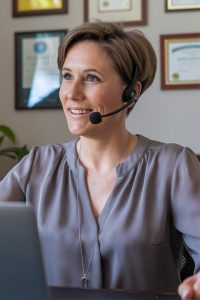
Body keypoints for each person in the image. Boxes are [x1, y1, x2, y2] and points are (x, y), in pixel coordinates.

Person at [0, 20, 200, 298]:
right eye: (67, 76)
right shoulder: (36, 166)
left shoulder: (173, 166)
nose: (71, 93)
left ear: (132, 92)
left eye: (91, 78)